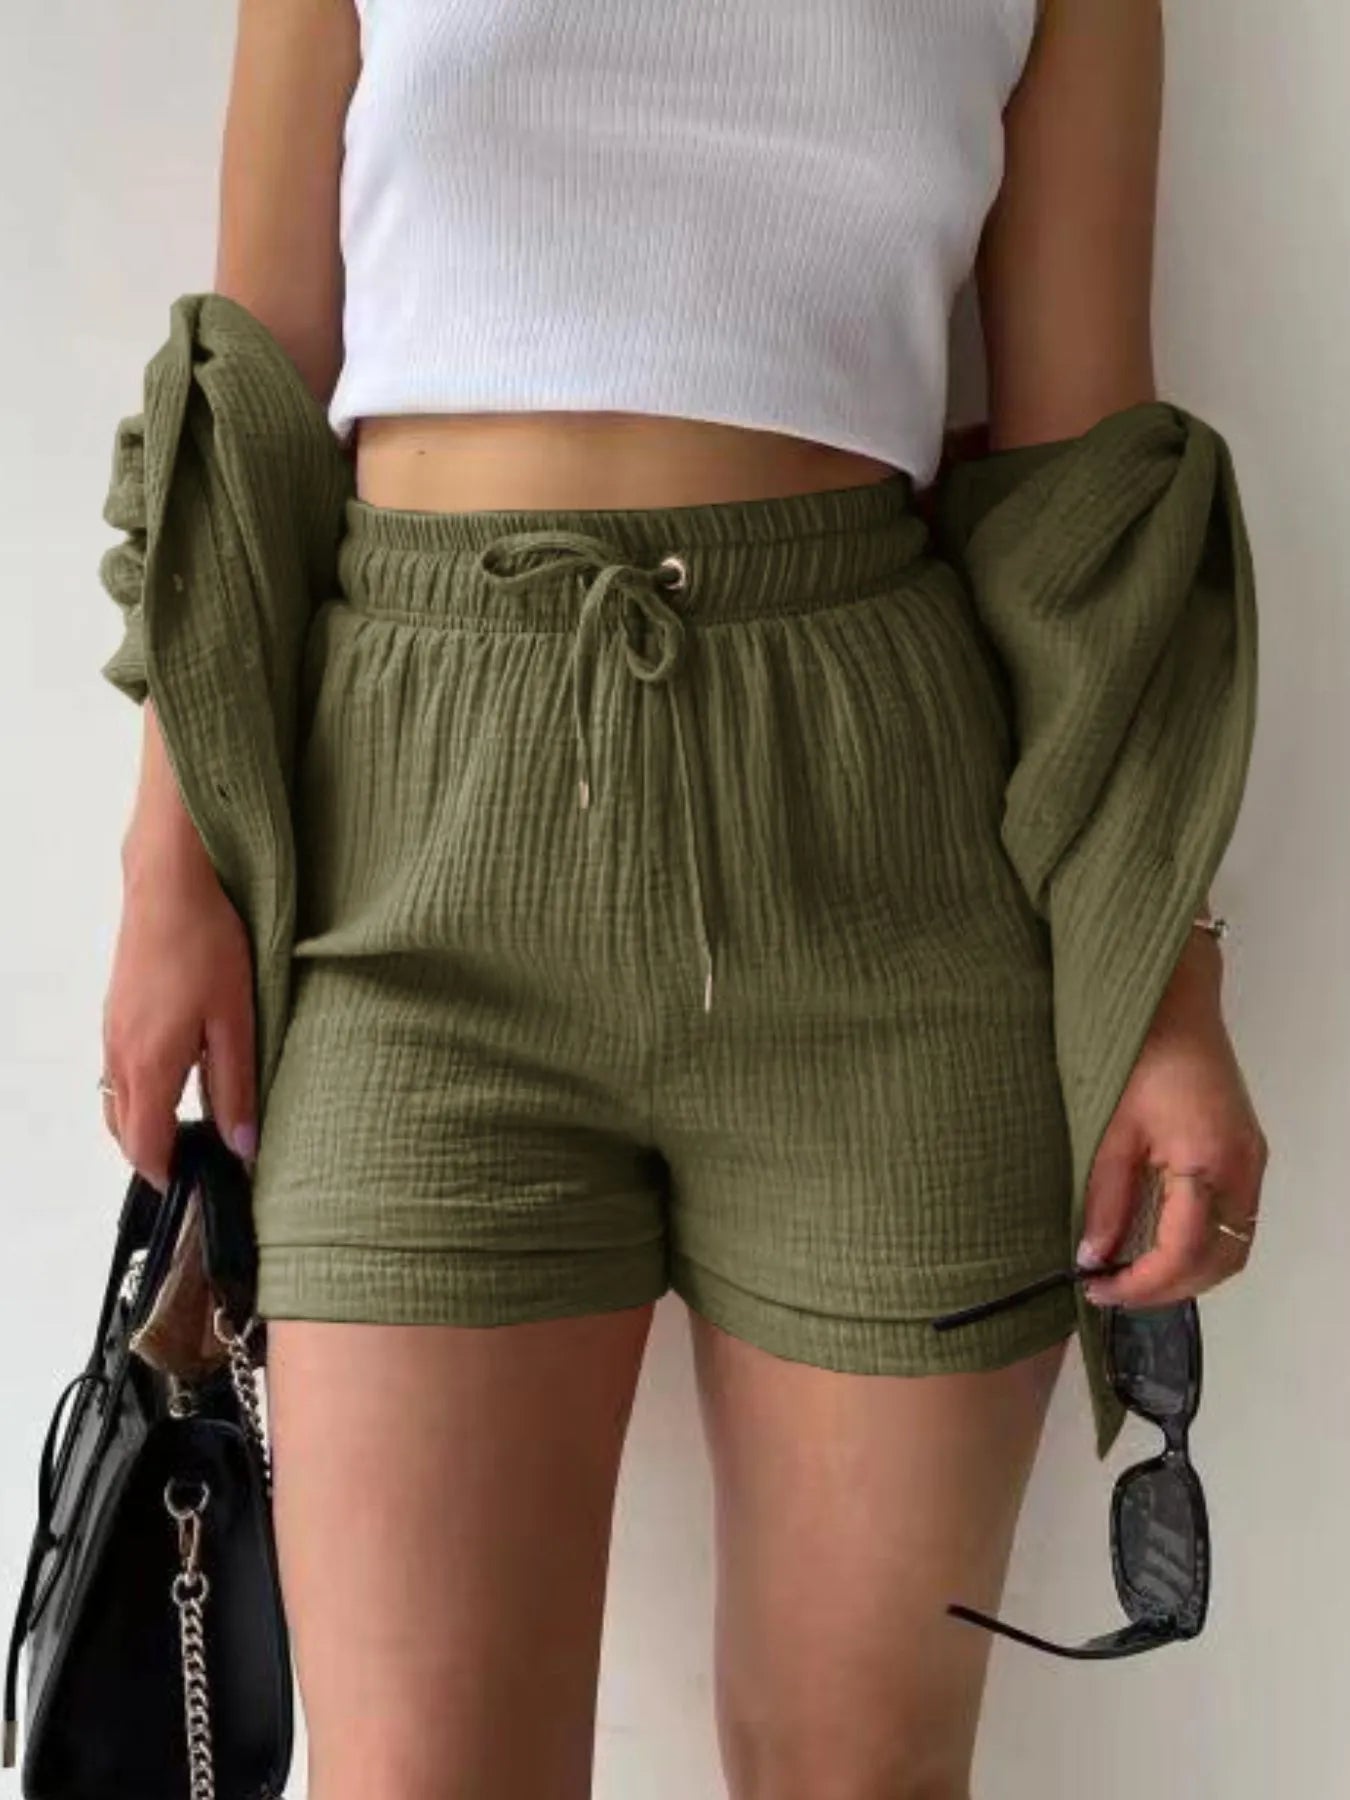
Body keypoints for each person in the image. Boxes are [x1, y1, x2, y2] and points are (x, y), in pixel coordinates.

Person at [98, 0, 1267, 1794]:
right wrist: (168, 860)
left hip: (883, 860)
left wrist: (1165, 981)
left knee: (858, 1775)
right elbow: (249, 384)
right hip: (413, 857)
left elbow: (1082, 482)